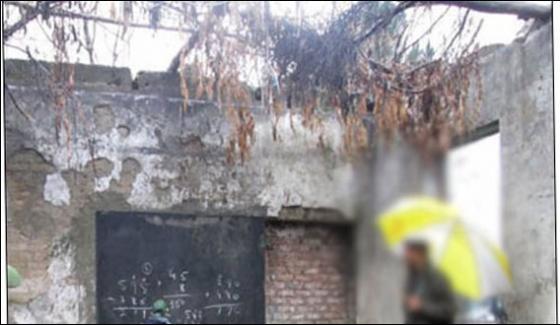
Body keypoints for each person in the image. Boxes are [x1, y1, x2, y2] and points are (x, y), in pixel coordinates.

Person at [403, 239, 456, 324]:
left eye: (409, 251)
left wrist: (422, 306)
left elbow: (449, 311)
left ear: (419, 253)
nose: (405, 255)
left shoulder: (438, 278)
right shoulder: (413, 276)